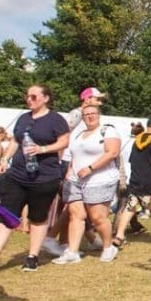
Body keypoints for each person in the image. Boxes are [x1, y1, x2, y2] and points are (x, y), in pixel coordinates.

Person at [0, 84, 70, 273]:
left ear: (46, 98)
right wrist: (5, 159)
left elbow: (64, 141)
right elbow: (16, 140)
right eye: (27, 96)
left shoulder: (56, 120)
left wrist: (42, 149)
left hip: (44, 177)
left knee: (38, 218)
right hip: (18, 175)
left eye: (33, 96)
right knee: (7, 213)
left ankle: (32, 257)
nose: (29, 99)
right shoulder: (23, 118)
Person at [53, 104, 121, 265]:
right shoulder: (78, 135)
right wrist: (70, 171)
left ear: (99, 115)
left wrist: (91, 168)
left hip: (100, 179)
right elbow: (74, 156)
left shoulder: (108, 131)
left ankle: (108, 246)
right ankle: (72, 252)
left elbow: (112, 152)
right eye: (86, 114)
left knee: (98, 218)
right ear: (82, 118)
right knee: (76, 215)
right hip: (76, 180)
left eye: (93, 113)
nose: (90, 116)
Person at [113, 116, 151, 254]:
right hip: (150, 183)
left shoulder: (137, 140)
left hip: (136, 181)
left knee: (129, 209)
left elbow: (132, 161)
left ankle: (119, 235)